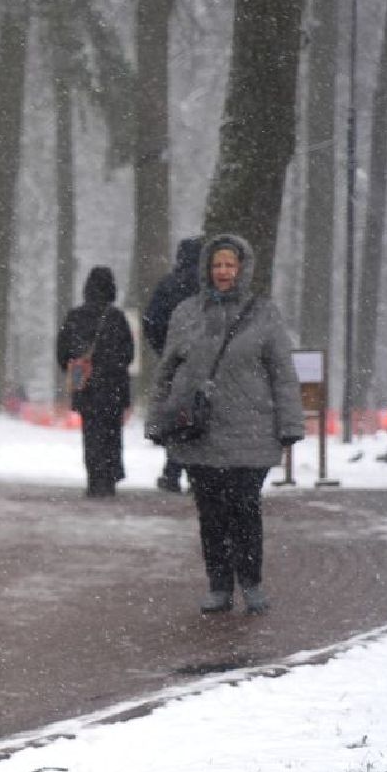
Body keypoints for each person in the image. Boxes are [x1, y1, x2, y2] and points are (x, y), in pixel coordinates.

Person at [151, 234, 303, 615]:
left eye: (229, 266)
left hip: (251, 432)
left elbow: (282, 373)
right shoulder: (186, 314)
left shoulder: (264, 313)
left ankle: (251, 582)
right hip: (200, 433)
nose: (223, 272)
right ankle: (219, 586)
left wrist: (289, 425)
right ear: (207, 268)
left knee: (245, 510)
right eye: (217, 265)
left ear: (242, 269)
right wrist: (159, 420)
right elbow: (166, 371)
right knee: (211, 513)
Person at [55, 265, 135, 498]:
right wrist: (111, 368)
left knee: (91, 435)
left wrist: (78, 370)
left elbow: (63, 352)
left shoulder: (75, 316)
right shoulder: (117, 317)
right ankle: (109, 479)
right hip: (113, 389)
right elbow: (128, 354)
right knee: (111, 434)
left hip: (87, 388)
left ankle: (94, 479)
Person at [142, 237, 204, 492]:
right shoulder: (206, 286)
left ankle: (172, 470)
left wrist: (165, 350)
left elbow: (151, 321)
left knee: (177, 415)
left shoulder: (168, 285)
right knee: (201, 415)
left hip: (175, 361)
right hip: (205, 362)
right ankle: (198, 473)